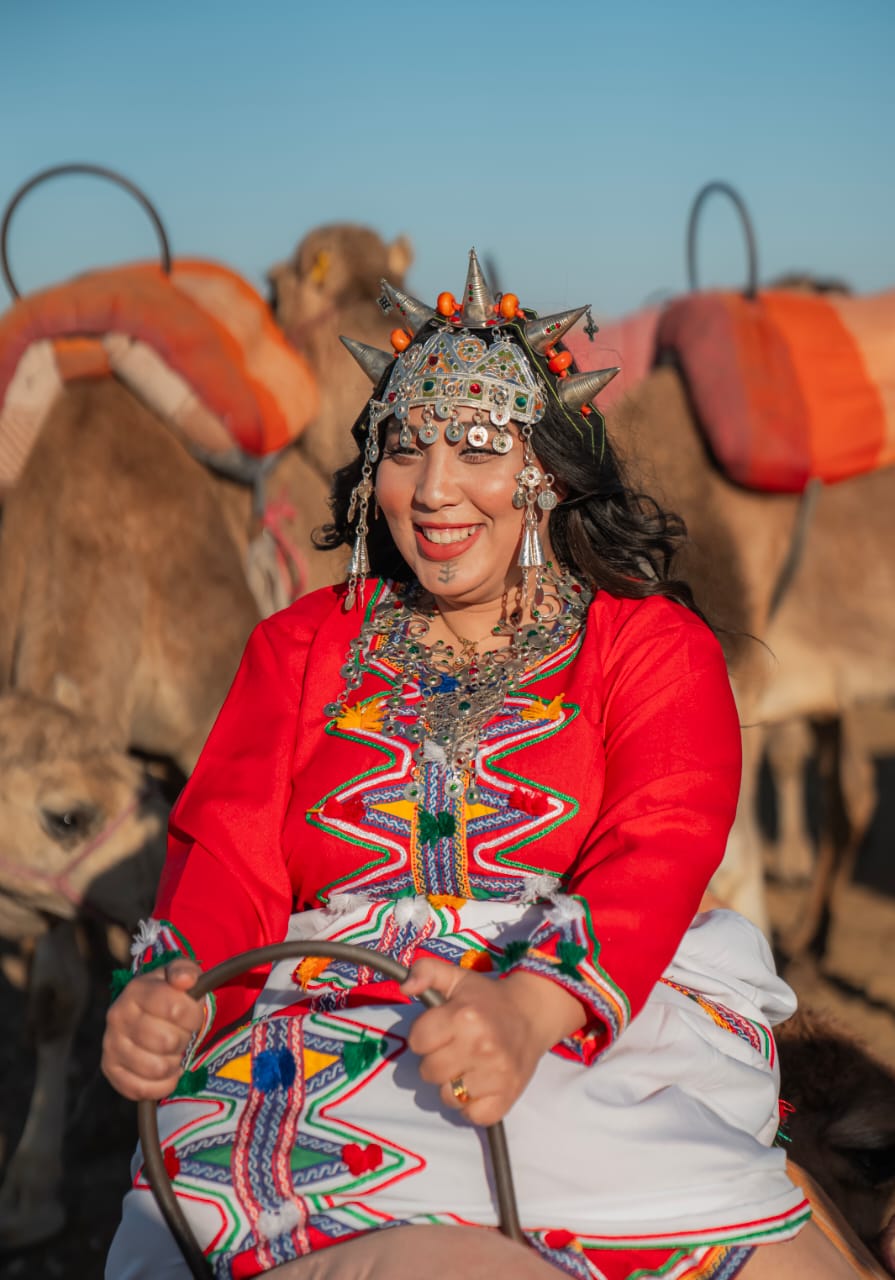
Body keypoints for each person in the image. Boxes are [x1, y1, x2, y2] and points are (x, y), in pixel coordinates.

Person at [103, 252, 856, 1280]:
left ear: (543, 470)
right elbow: (227, 858)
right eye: (406, 450)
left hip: (588, 1016)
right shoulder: (298, 644)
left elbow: (660, 843)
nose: (435, 489)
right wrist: (178, 982)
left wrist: (527, 1008)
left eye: (477, 447)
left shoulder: (644, 645)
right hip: (322, 1021)